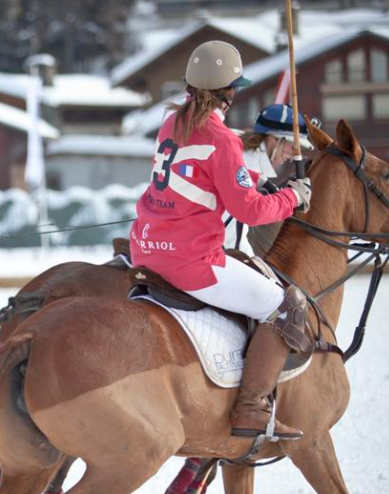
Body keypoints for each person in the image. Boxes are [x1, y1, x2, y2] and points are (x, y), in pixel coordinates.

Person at [130, 41, 313, 441]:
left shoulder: (171, 122)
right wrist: (292, 197)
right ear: (228, 92)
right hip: (191, 261)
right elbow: (249, 212)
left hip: (146, 249)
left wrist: (256, 180)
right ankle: (251, 408)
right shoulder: (223, 138)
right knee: (286, 306)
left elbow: (205, 172)